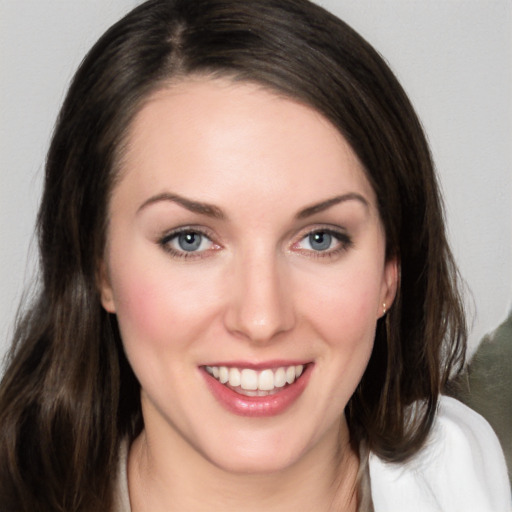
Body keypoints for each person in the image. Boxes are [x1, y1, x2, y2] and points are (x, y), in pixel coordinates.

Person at [0, 0, 509, 511]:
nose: (262, 319)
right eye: (189, 239)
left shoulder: (477, 473)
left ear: (389, 274)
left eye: (320, 239)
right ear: (100, 267)